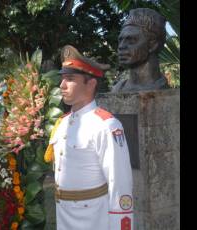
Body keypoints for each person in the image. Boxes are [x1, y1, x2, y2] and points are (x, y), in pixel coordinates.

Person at [45, 45, 133, 229]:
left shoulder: (106, 125)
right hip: (64, 216)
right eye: (62, 79)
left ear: (91, 83)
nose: (62, 85)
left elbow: (119, 182)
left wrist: (121, 224)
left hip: (93, 220)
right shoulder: (62, 124)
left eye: (69, 79)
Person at [112, 8, 168, 92]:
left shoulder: (167, 92)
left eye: (131, 40)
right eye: (120, 40)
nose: (121, 46)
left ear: (153, 44)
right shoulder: (117, 89)